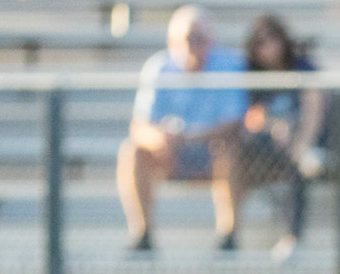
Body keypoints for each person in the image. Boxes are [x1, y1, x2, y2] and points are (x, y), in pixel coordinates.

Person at [118, 5, 248, 252]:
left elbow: (234, 123)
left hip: (212, 149)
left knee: (231, 151)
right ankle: (143, 234)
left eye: (200, 39)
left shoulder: (228, 65)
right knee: (132, 151)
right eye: (188, 39)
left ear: (211, 40)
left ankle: (228, 236)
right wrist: (159, 139)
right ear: (171, 41)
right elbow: (140, 126)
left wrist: (191, 136)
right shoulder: (159, 67)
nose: (193, 46)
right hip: (171, 153)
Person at [234, 15, 324, 260]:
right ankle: (229, 233)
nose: (267, 48)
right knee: (231, 156)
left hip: (303, 142)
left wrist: (301, 142)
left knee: (298, 163)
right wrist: (274, 127)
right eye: (260, 42)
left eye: (271, 40)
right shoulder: (253, 73)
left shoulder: (301, 66)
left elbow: (314, 107)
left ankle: (292, 236)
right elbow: (251, 117)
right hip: (266, 145)